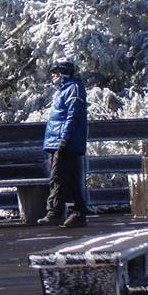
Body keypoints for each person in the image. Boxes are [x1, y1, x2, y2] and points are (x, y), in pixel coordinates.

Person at [37, 60, 89, 228]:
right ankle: (77, 214)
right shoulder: (64, 90)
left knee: (58, 177)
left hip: (65, 143)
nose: (53, 76)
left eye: (55, 73)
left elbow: (73, 115)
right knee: (71, 178)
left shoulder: (72, 89)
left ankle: (54, 213)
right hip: (61, 142)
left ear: (63, 73)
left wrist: (63, 139)